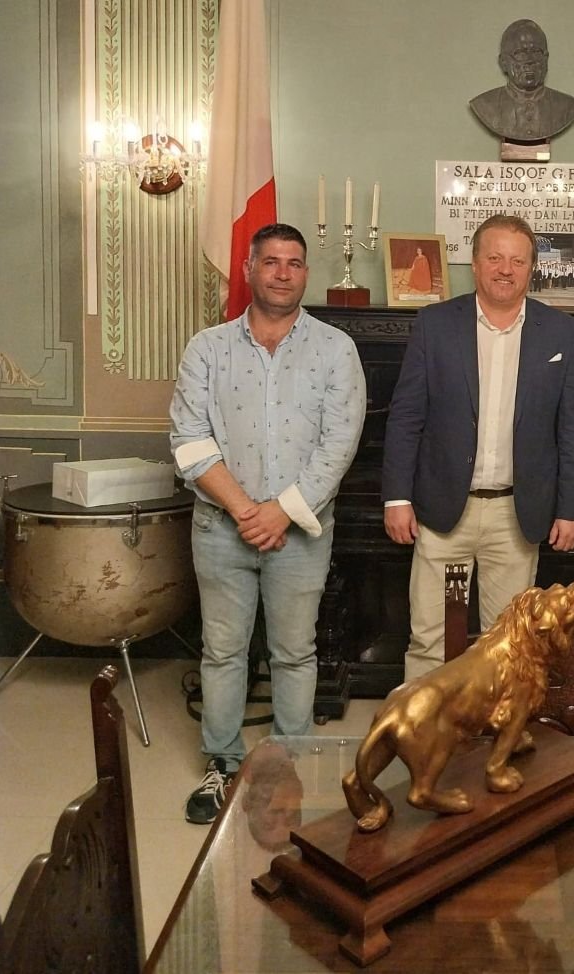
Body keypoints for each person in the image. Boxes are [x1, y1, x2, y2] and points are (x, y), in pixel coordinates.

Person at [169, 223, 366, 824]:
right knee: (223, 652)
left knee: (294, 653)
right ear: (249, 269)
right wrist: (244, 511)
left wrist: (281, 511)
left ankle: (287, 763)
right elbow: (188, 440)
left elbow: (339, 443)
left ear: (305, 273)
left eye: (294, 263)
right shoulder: (207, 348)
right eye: (271, 261)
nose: (283, 273)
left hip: (299, 531)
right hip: (219, 528)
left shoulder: (335, 349)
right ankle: (222, 763)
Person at [382, 213, 574, 681]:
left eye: (517, 260)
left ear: (531, 268)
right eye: (495, 258)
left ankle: (494, 728)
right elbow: (407, 416)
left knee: (510, 645)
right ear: (475, 264)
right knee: (430, 639)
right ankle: (426, 726)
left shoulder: (561, 332)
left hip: (516, 514)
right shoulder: (435, 324)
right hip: (440, 509)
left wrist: (571, 508)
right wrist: (397, 497)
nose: (505, 269)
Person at [469, 19, 574, 143]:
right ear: (503, 62)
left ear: (546, 59)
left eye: (536, 52)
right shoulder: (485, 105)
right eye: (520, 54)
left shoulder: (567, 107)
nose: (529, 60)